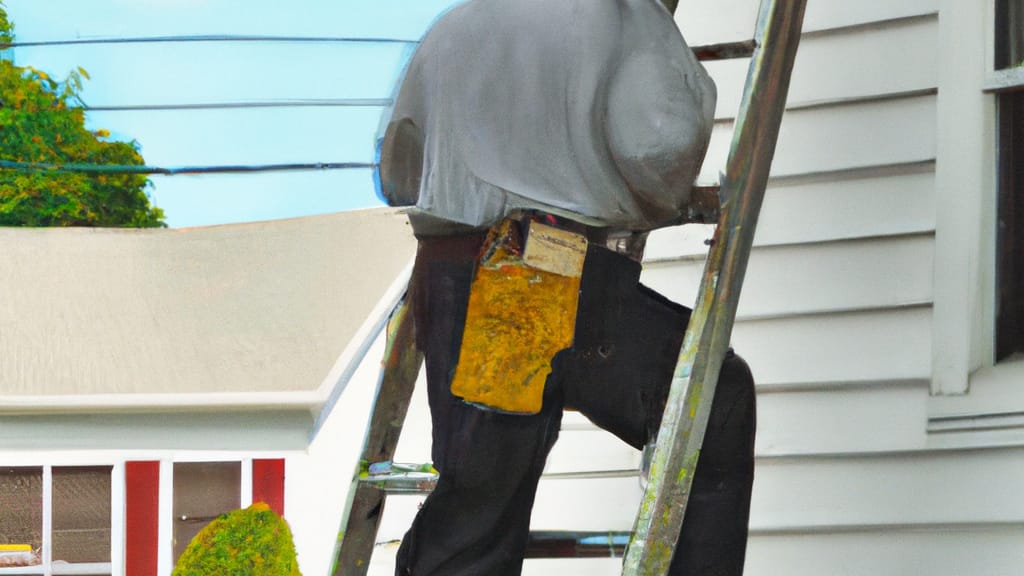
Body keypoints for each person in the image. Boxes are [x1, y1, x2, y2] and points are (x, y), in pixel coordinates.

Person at [375, 0, 756, 574]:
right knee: (717, 396)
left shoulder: (455, 24)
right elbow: (658, 143)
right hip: (542, 275)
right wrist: (662, 200)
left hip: (447, 279)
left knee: (477, 502)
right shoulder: (621, 16)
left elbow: (397, 171)